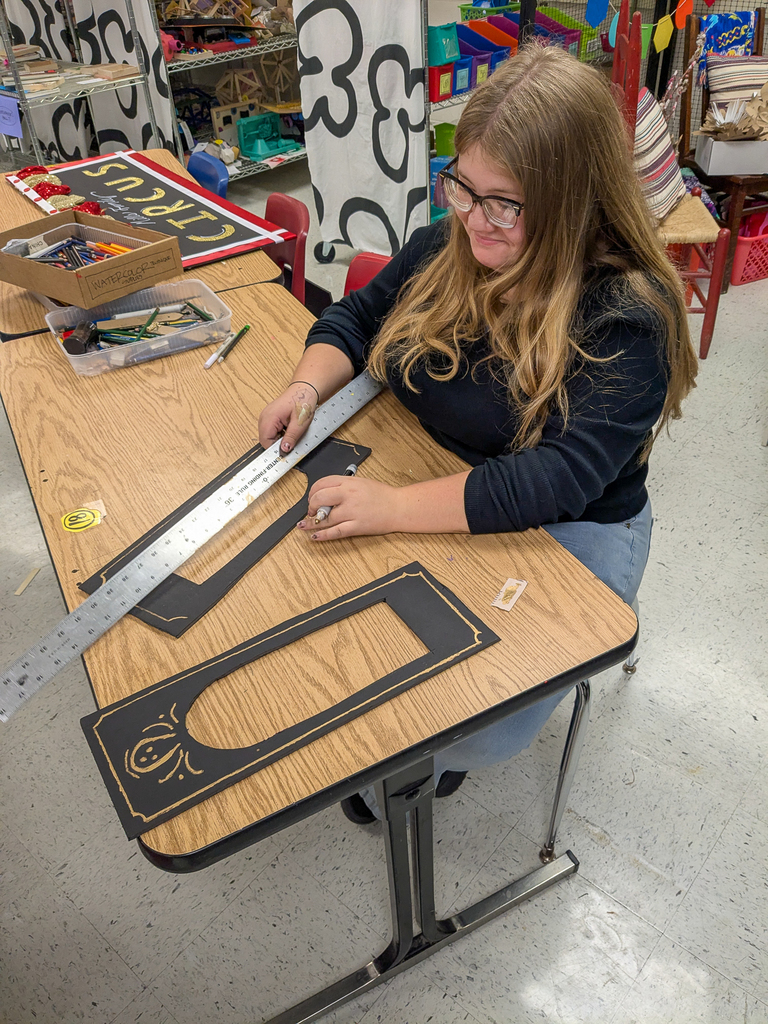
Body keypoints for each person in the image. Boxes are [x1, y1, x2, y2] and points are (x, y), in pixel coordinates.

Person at [258, 44, 697, 823]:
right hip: (440, 470)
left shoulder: (628, 315)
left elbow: (552, 481)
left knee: (481, 726)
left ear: (575, 201)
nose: (472, 218)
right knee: (338, 643)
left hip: (573, 524)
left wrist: (394, 509)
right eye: (464, 186)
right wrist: (304, 385)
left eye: (507, 203)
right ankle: (400, 755)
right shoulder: (451, 241)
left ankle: (419, 758)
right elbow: (355, 318)